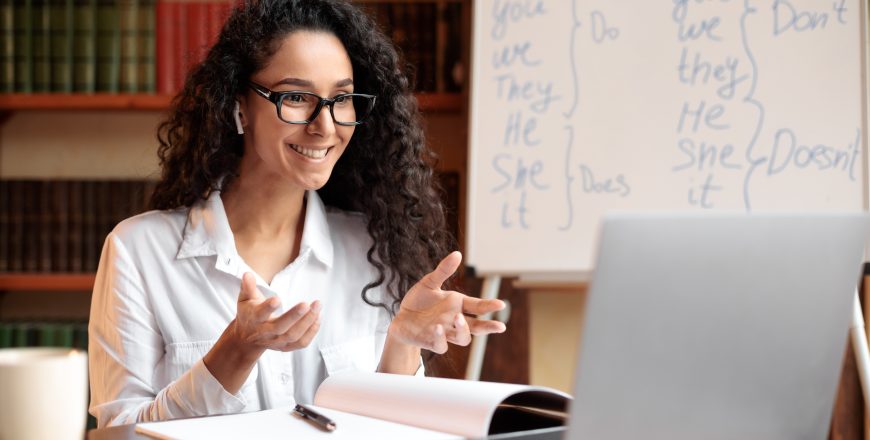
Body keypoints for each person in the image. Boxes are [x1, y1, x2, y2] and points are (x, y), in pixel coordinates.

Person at [87, 0, 506, 427]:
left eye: (340, 99)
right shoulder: (138, 251)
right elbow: (120, 434)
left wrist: (402, 344)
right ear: (239, 106)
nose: (325, 126)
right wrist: (235, 351)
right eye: (296, 97)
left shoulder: (374, 248)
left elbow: (386, 431)